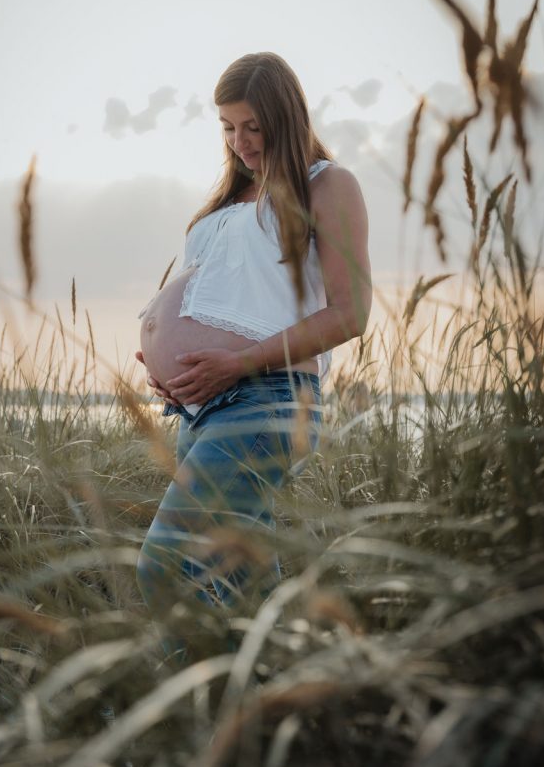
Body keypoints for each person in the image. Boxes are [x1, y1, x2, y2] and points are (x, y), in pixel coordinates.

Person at [135, 52, 371, 649]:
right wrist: (170, 367)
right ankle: (280, 704)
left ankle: (174, 719)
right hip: (203, 408)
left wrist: (235, 361)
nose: (239, 142)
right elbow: (216, 299)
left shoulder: (327, 184)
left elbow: (351, 313)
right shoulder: (226, 200)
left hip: (266, 402)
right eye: (227, 127)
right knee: (236, 586)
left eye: (253, 127)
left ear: (284, 119)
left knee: (165, 564)